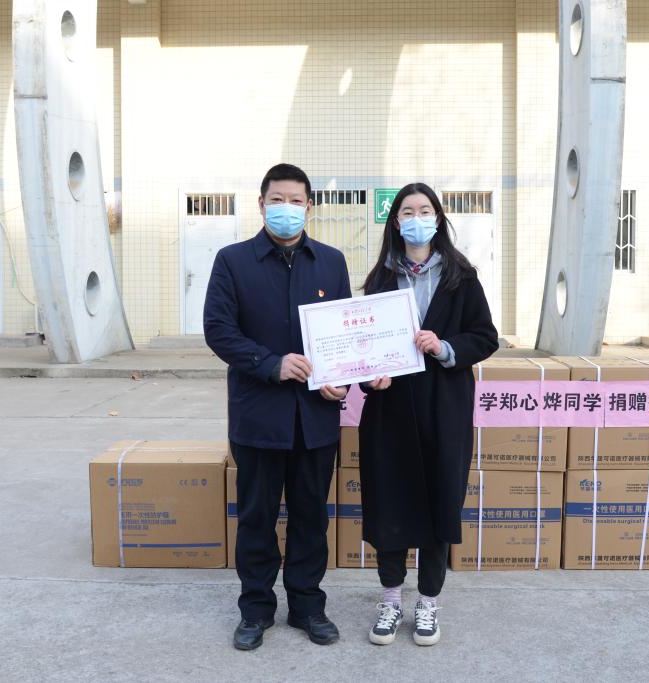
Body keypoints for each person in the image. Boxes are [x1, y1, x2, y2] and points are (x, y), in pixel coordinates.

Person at [204, 163, 351, 651]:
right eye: (277, 200)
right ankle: (255, 609)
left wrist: (340, 380)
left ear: (310, 206)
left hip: (315, 420)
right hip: (258, 416)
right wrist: (271, 364)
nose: (286, 208)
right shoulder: (233, 261)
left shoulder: (331, 262)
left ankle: (308, 606)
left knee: (311, 517)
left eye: (296, 201)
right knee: (256, 517)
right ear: (261, 204)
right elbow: (219, 330)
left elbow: (345, 334)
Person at [357, 182, 499, 646]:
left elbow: (486, 336)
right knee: (389, 502)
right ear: (395, 221)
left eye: (425, 210)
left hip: (444, 408)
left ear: (437, 218)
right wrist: (369, 378)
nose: (416, 218)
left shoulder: (462, 276)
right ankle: (390, 599)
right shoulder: (380, 279)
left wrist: (444, 347)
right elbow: (361, 349)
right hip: (390, 411)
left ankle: (428, 602)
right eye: (407, 211)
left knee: (440, 501)